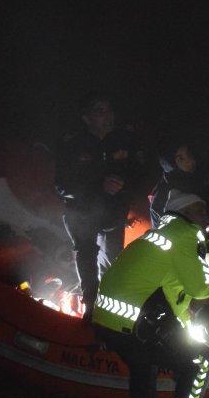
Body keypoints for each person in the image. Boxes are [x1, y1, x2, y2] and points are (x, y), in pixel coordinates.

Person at [92, 190, 209, 398]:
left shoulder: (160, 234)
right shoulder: (185, 234)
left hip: (108, 318)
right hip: (136, 323)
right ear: (186, 212)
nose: (205, 215)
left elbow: (169, 286)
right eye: (200, 209)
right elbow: (200, 288)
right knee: (202, 360)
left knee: (144, 366)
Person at [55, 94, 145, 318]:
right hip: (83, 213)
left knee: (112, 258)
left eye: (109, 110)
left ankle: (113, 301)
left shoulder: (124, 140)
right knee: (86, 255)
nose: (108, 116)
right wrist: (99, 185)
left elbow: (138, 173)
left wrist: (124, 185)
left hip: (113, 213)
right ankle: (90, 306)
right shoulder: (73, 144)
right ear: (87, 118)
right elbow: (62, 185)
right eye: (100, 111)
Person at [149, 143, 201, 226]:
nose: (189, 160)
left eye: (188, 155)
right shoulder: (162, 199)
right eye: (179, 158)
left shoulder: (199, 177)